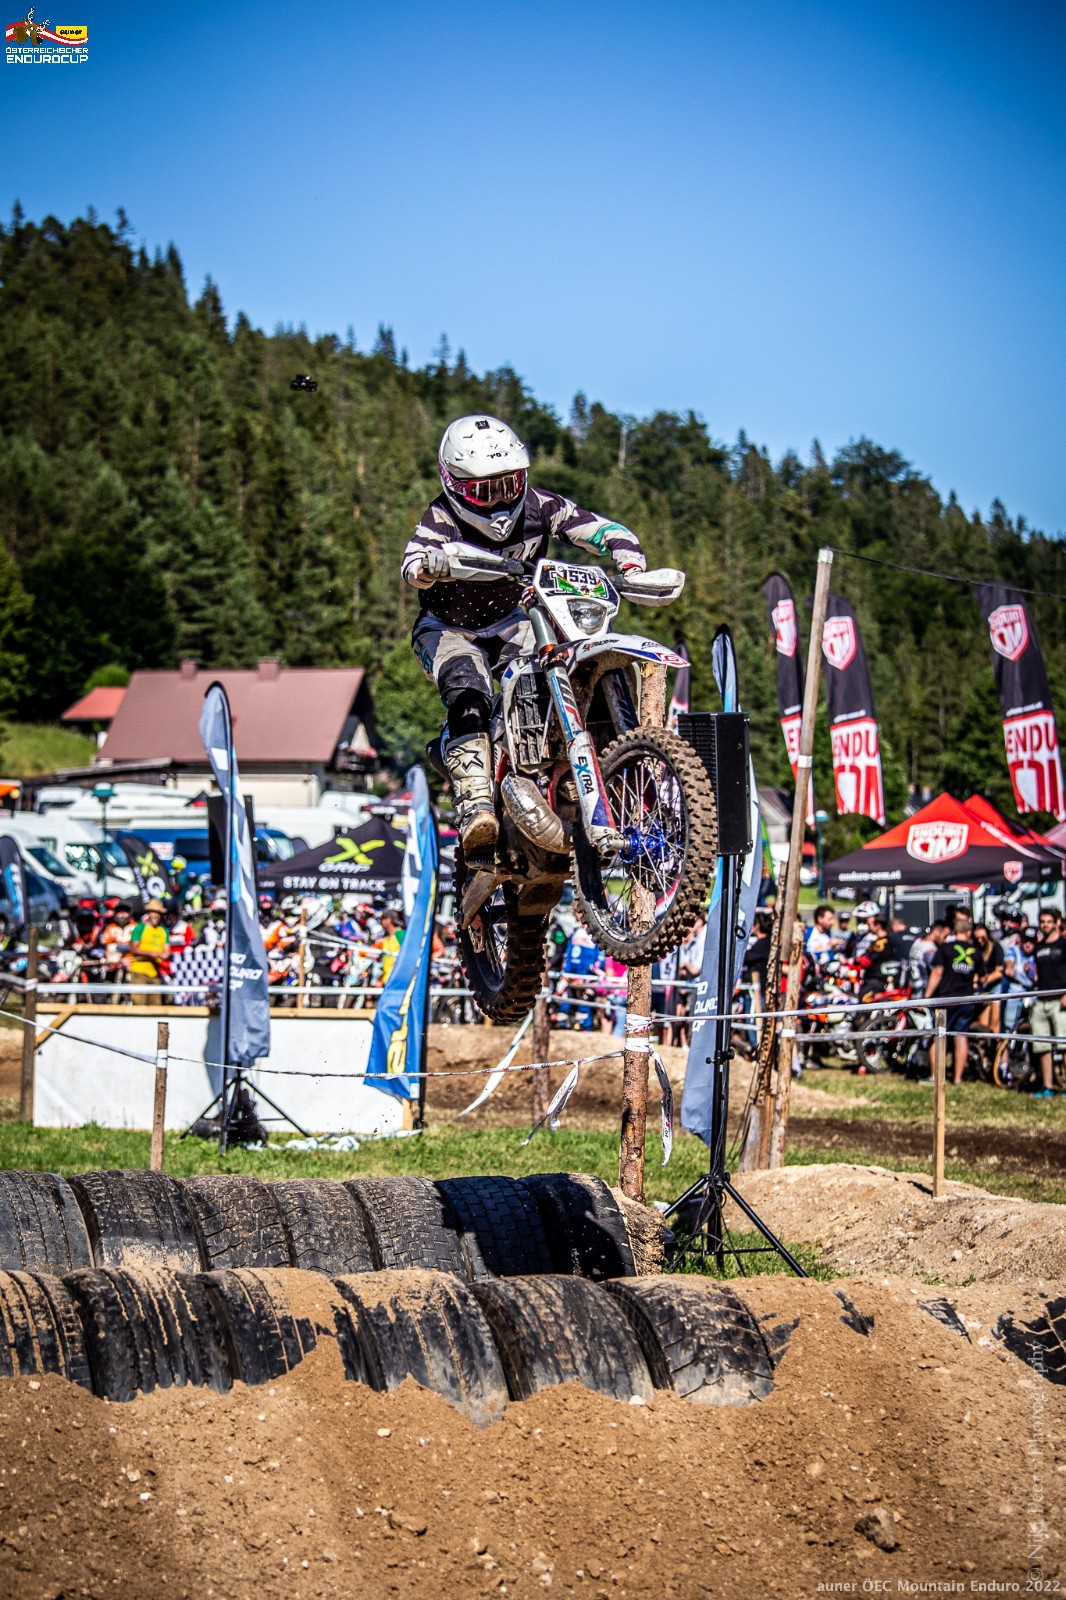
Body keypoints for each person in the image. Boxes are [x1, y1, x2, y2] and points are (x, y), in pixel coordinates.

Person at [402, 414, 647, 854]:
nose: (498, 500)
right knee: (470, 690)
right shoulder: (440, 517)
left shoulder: (541, 505)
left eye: (508, 484)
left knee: (561, 663)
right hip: (447, 628)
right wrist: (428, 566)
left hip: (512, 618)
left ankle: (567, 764)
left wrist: (629, 560)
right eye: (483, 491)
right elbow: (411, 563)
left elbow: (600, 528)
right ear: (454, 485)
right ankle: (476, 804)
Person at [924, 911, 984, 1084]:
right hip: (966, 999)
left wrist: (926, 997)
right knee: (960, 1037)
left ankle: (935, 1077)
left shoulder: (945, 948)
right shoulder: (976, 952)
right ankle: (957, 1078)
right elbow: (982, 978)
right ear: (969, 933)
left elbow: (937, 972)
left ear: (954, 931)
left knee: (939, 1036)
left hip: (946, 999)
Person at [1031, 908, 1066, 1097]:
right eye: (1042, 921)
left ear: (1056, 923)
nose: (1045, 925)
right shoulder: (1038, 947)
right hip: (1041, 1001)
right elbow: (1038, 974)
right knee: (1042, 1047)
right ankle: (1047, 1087)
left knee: (1064, 1045)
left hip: (1060, 1001)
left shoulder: (1063, 944)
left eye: (1048, 921)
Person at [127, 898, 170, 1003]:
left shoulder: (164, 931)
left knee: (156, 1004)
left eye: (158, 913)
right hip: (139, 971)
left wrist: (164, 955)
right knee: (139, 1003)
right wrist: (151, 954)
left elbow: (167, 950)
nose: (156, 915)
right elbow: (133, 948)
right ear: (149, 913)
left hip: (155, 972)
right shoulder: (140, 928)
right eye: (153, 912)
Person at [973, 923, 1004, 1034]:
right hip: (981, 990)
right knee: (983, 1024)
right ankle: (985, 1042)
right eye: (977, 938)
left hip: (994, 987)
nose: (980, 941)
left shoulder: (996, 948)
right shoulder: (975, 949)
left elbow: (999, 972)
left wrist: (984, 980)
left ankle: (995, 1042)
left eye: (982, 938)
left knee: (994, 1023)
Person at [909, 921, 949, 989]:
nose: (945, 940)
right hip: (925, 987)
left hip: (915, 985)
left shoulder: (917, 942)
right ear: (937, 932)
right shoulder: (931, 949)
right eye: (945, 936)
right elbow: (936, 971)